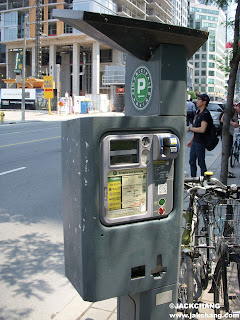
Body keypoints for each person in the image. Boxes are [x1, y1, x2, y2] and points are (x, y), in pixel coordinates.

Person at [186, 94, 212, 177]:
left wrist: (190, 128)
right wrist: (191, 141)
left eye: (199, 99)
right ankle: (193, 180)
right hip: (195, 141)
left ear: (204, 102)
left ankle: (204, 180)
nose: (197, 101)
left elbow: (202, 129)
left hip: (201, 142)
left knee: (201, 162)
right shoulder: (198, 112)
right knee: (192, 161)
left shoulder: (205, 114)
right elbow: (196, 129)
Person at [220, 102, 240, 178]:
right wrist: (232, 123)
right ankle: (225, 171)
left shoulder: (236, 112)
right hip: (226, 133)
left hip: (230, 133)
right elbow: (222, 119)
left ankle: (225, 170)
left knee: (228, 152)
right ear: (238, 106)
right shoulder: (231, 110)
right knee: (227, 152)